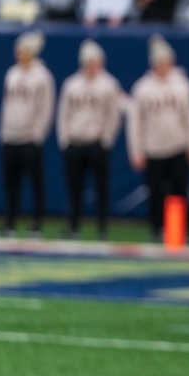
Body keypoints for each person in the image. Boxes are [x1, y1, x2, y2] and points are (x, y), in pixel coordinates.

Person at [127, 35, 189, 241]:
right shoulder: (142, 87)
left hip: (177, 145)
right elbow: (135, 123)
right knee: (155, 191)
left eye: (166, 61)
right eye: (159, 62)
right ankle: (156, 227)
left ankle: (180, 229)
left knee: (180, 190)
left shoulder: (183, 85)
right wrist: (137, 150)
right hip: (153, 147)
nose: (162, 66)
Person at [56, 39, 123, 239]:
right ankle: (73, 226)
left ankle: (102, 227)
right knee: (74, 188)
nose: (93, 66)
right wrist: (65, 139)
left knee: (101, 189)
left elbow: (114, 115)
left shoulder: (109, 85)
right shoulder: (72, 84)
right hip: (75, 143)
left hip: (96, 144)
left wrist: (106, 139)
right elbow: (63, 113)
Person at [0, 31, 55, 236]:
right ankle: (10, 223)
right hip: (10, 136)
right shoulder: (11, 73)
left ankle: (36, 223)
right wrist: (4, 132)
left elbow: (46, 108)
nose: (18, 54)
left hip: (30, 137)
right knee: (11, 183)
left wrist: (37, 135)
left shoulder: (42, 76)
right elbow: (6, 104)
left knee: (35, 182)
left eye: (22, 50)